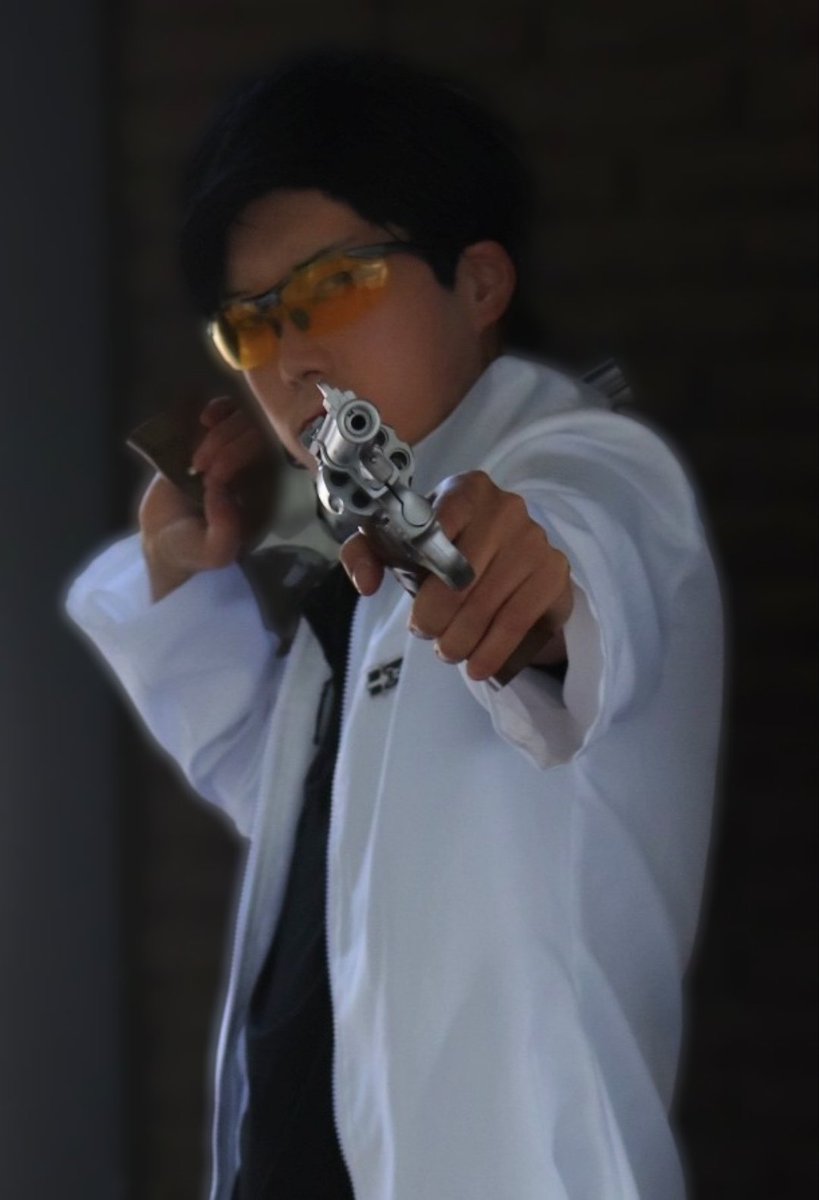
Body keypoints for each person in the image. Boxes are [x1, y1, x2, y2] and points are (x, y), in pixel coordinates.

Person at [65, 48, 724, 1200]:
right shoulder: (362, 567)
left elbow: (574, 575)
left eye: (333, 287)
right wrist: (182, 581)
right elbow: (321, 822)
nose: (294, 357)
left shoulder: (582, 469)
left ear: (479, 282)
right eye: (251, 326)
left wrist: (534, 586)